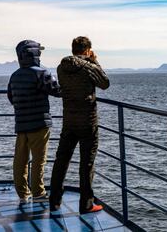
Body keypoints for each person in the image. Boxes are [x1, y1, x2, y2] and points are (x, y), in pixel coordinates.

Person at [49, 36, 110, 213]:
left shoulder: (61, 68)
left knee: (61, 161)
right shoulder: (89, 66)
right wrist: (95, 62)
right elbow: (105, 83)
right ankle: (86, 204)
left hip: (69, 120)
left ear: (73, 49)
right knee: (87, 163)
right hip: (88, 122)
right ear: (87, 50)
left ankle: (54, 201)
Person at [7, 40, 61, 203]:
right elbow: (57, 91)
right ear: (35, 54)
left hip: (21, 124)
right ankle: (38, 193)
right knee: (38, 160)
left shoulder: (15, 75)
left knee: (20, 160)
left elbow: (11, 97)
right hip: (39, 123)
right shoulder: (42, 73)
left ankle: (23, 194)